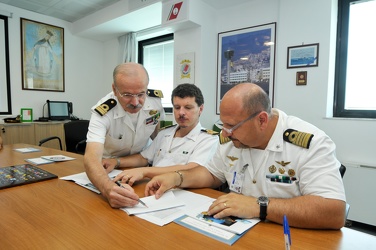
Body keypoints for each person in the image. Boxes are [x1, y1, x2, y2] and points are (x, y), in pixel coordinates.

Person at [145, 83, 346, 230]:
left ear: (262, 120)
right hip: (239, 231)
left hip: (291, 234)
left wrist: (258, 206)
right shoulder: (231, 139)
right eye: (222, 123)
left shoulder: (309, 143)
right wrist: (177, 178)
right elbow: (212, 174)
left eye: (231, 126)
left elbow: (334, 212)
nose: (224, 132)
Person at [84, 62, 165, 208]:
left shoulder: (155, 101)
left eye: (141, 94)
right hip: (109, 170)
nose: (135, 102)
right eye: (127, 95)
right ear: (114, 90)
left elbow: (158, 134)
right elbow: (91, 157)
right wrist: (107, 188)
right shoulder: (102, 112)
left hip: (140, 168)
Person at [109, 83, 219, 186]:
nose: (181, 113)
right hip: (152, 185)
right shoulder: (165, 133)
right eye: (177, 107)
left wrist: (145, 171)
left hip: (181, 191)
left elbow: (191, 169)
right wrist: (116, 161)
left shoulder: (208, 139)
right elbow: (144, 158)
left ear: (200, 109)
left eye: (188, 108)